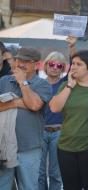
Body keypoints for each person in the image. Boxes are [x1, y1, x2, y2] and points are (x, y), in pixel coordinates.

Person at [49, 50, 88, 190]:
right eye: (73, 63)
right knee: (70, 187)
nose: (74, 67)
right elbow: (54, 108)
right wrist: (70, 85)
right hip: (65, 146)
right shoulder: (65, 86)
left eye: (79, 64)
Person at [0, 47, 52, 190]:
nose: (20, 64)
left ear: (36, 65)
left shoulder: (43, 84)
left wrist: (23, 83)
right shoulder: (4, 81)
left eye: (26, 61)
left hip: (29, 148)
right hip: (4, 147)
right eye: (18, 60)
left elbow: (35, 105)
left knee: (29, 187)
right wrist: (18, 103)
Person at [38, 52, 67, 190]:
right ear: (46, 65)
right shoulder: (38, 84)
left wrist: (72, 46)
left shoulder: (66, 84)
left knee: (56, 173)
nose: (55, 67)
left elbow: (75, 65)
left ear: (62, 69)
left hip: (59, 132)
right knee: (40, 173)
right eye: (51, 64)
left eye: (59, 65)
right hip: (40, 132)